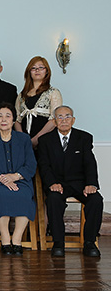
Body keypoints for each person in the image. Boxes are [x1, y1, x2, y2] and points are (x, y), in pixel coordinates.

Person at [38, 105, 103, 257]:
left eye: (67, 117)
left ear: (73, 120)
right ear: (54, 121)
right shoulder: (45, 140)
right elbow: (44, 165)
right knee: (53, 200)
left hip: (80, 183)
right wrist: (51, 183)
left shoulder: (84, 138)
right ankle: (58, 243)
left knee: (96, 200)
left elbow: (90, 163)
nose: (64, 120)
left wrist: (91, 184)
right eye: (60, 117)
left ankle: (89, 242)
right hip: (57, 183)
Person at [0, 103, 37, 255]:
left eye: (8, 116)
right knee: (3, 194)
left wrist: (15, 176)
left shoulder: (24, 139)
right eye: (0, 116)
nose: (3, 119)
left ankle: (16, 239)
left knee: (24, 195)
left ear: (13, 120)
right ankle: (5, 238)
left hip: (21, 179)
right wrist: (2, 178)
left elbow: (31, 164)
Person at [14, 56, 63, 148]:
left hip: (46, 141)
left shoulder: (53, 92)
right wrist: (23, 139)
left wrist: (36, 139)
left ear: (46, 71)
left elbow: (54, 119)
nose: (37, 70)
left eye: (41, 67)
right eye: (33, 68)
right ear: (29, 72)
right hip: (24, 143)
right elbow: (17, 120)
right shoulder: (21, 95)